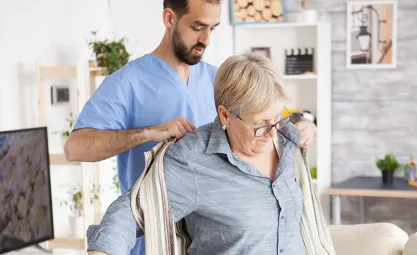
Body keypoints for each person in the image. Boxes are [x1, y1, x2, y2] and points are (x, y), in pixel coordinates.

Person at [65, 0, 317, 254]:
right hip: (150, 238)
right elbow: (75, 149)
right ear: (169, 18)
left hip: (217, 237)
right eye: (198, 27)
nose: (206, 39)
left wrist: (299, 127)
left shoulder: (217, 80)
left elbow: (257, 121)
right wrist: (148, 133)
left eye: (213, 28)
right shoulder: (127, 82)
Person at [85, 52, 335, 255]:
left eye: (277, 118)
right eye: (259, 124)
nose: (271, 135)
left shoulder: (284, 138)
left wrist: (306, 126)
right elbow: (130, 213)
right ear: (225, 115)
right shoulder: (192, 161)